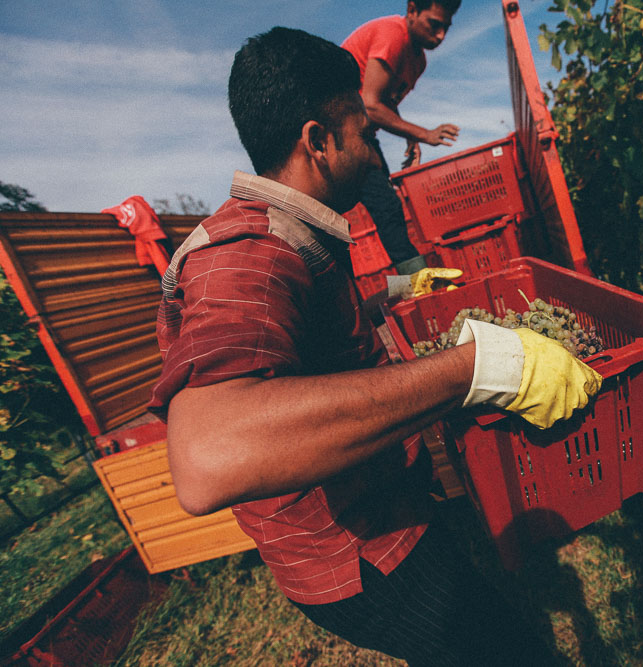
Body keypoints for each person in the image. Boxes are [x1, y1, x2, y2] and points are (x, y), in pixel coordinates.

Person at [148, 26, 601, 667]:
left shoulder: (290, 234)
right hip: (364, 555)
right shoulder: (246, 256)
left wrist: (395, 287)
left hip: (384, 511)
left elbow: (305, 335)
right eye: (366, 133)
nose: (373, 152)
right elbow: (206, 457)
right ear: (318, 141)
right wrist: (476, 367)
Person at [342, 0, 462, 273]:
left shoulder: (418, 61)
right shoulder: (392, 34)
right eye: (434, 24)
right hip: (337, 132)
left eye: (446, 27)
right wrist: (425, 134)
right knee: (386, 209)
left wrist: (411, 138)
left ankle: (411, 287)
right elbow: (370, 106)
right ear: (412, 10)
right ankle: (418, 288)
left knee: (388, 210)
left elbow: (386, 99)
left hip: (360, 134)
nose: (441, 35)